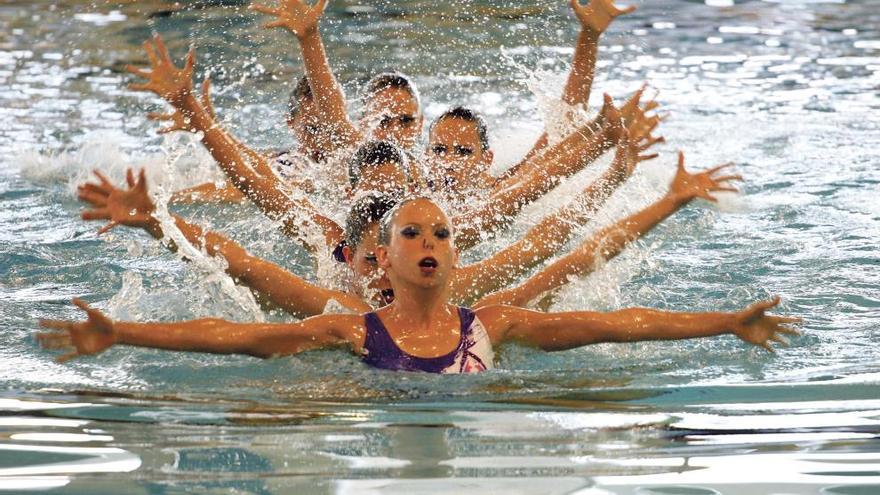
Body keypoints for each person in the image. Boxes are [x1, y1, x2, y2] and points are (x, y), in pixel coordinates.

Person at [38, 197, 800, 370]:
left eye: (441, 233)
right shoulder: (349, 326)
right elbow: (245, 337)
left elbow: (616, 321)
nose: (428, 241)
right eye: (412, 232)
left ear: (458, 256)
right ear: (381, 257)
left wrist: (726, 322)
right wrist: (124, 332)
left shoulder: (493, 323)